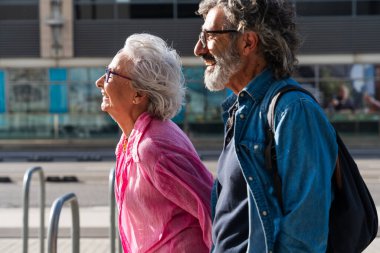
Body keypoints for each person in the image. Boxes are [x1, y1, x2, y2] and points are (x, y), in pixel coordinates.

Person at [194, 1, 338, 252]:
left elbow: (304, 235)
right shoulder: (240, 111)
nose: (198, 49)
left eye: (209, 36)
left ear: (248, 42)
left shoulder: (293, 110)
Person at [95, 33, 213, 253]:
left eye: (110, 74)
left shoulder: (154, 147)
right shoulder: (133, 139)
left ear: (138, 93)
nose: (99, 82)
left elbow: (212, 207)